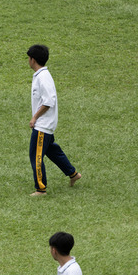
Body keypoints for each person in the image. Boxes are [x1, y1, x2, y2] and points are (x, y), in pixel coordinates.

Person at [27, 44, 81, 196]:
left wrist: (35, 117)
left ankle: (41, 189)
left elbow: (48, 101)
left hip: (43, 125)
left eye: (29, 58)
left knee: (35, 156)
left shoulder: (43, 78)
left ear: (33, 60)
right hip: (47, 124)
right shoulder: (41, 75)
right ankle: (73, 174)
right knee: (52, 151)